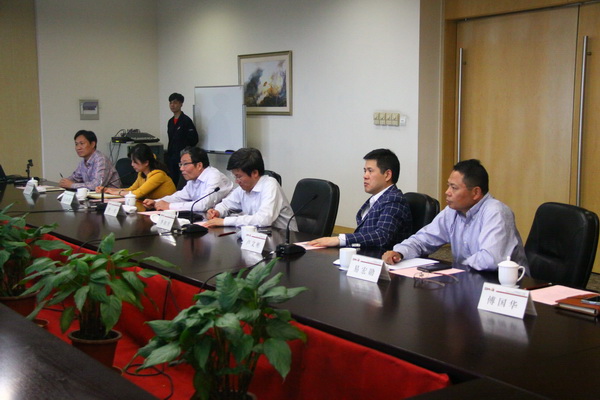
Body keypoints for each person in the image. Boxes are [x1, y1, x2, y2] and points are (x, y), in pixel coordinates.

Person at [382, 159, 528, 272]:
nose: (447, 192)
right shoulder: (452, 211)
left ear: (476, 192)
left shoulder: (496, 212)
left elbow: (490, 260)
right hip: (467, 278)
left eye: (454, 187)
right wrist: (400, 252)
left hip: (506, 287)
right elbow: (423, 239)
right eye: (448, 186)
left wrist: (452, 268)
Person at [308, 148, 411, 249]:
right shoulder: (377, 199)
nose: (365, 176)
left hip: (380, 258)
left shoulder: (395, 200)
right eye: (365, 171)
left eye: (370, 171)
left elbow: (382, 236)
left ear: (387, 175)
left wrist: (339, 239)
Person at [203, 148, 296, 230]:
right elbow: (226, 204)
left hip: (286, 238)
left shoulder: (270, 185)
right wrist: (217, 212)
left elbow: (264, 220)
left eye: (239, 176)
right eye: (235, 176)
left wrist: (224, 221)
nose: (236, 181)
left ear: (255, 173)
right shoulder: (244, 188)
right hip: (258, 235)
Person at [143, 146, 232, 212]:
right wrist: (156, 202)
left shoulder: (214, 177)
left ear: (199, 165)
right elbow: (179, 197)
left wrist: (169, 206)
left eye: (185, 164)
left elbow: (203, 205)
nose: (181, 168)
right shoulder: (193, 180)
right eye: (180, 164)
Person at [96, 143, 176, 200]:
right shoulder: (141, 174)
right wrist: (107, 189)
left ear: (146, 162)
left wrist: (112, 192)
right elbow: (131, 190)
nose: (132, 165)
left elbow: (137, 194)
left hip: (167, 210)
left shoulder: (158, 175)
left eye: (135, 162)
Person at [166, 93, 198, 182]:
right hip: (172, 157)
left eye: (175, 103)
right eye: (170, 103)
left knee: (182, 181)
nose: (172, 105)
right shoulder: (170, 122)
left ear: (181, 104)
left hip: (182, 157)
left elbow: (194, 139)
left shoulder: (186, 120)